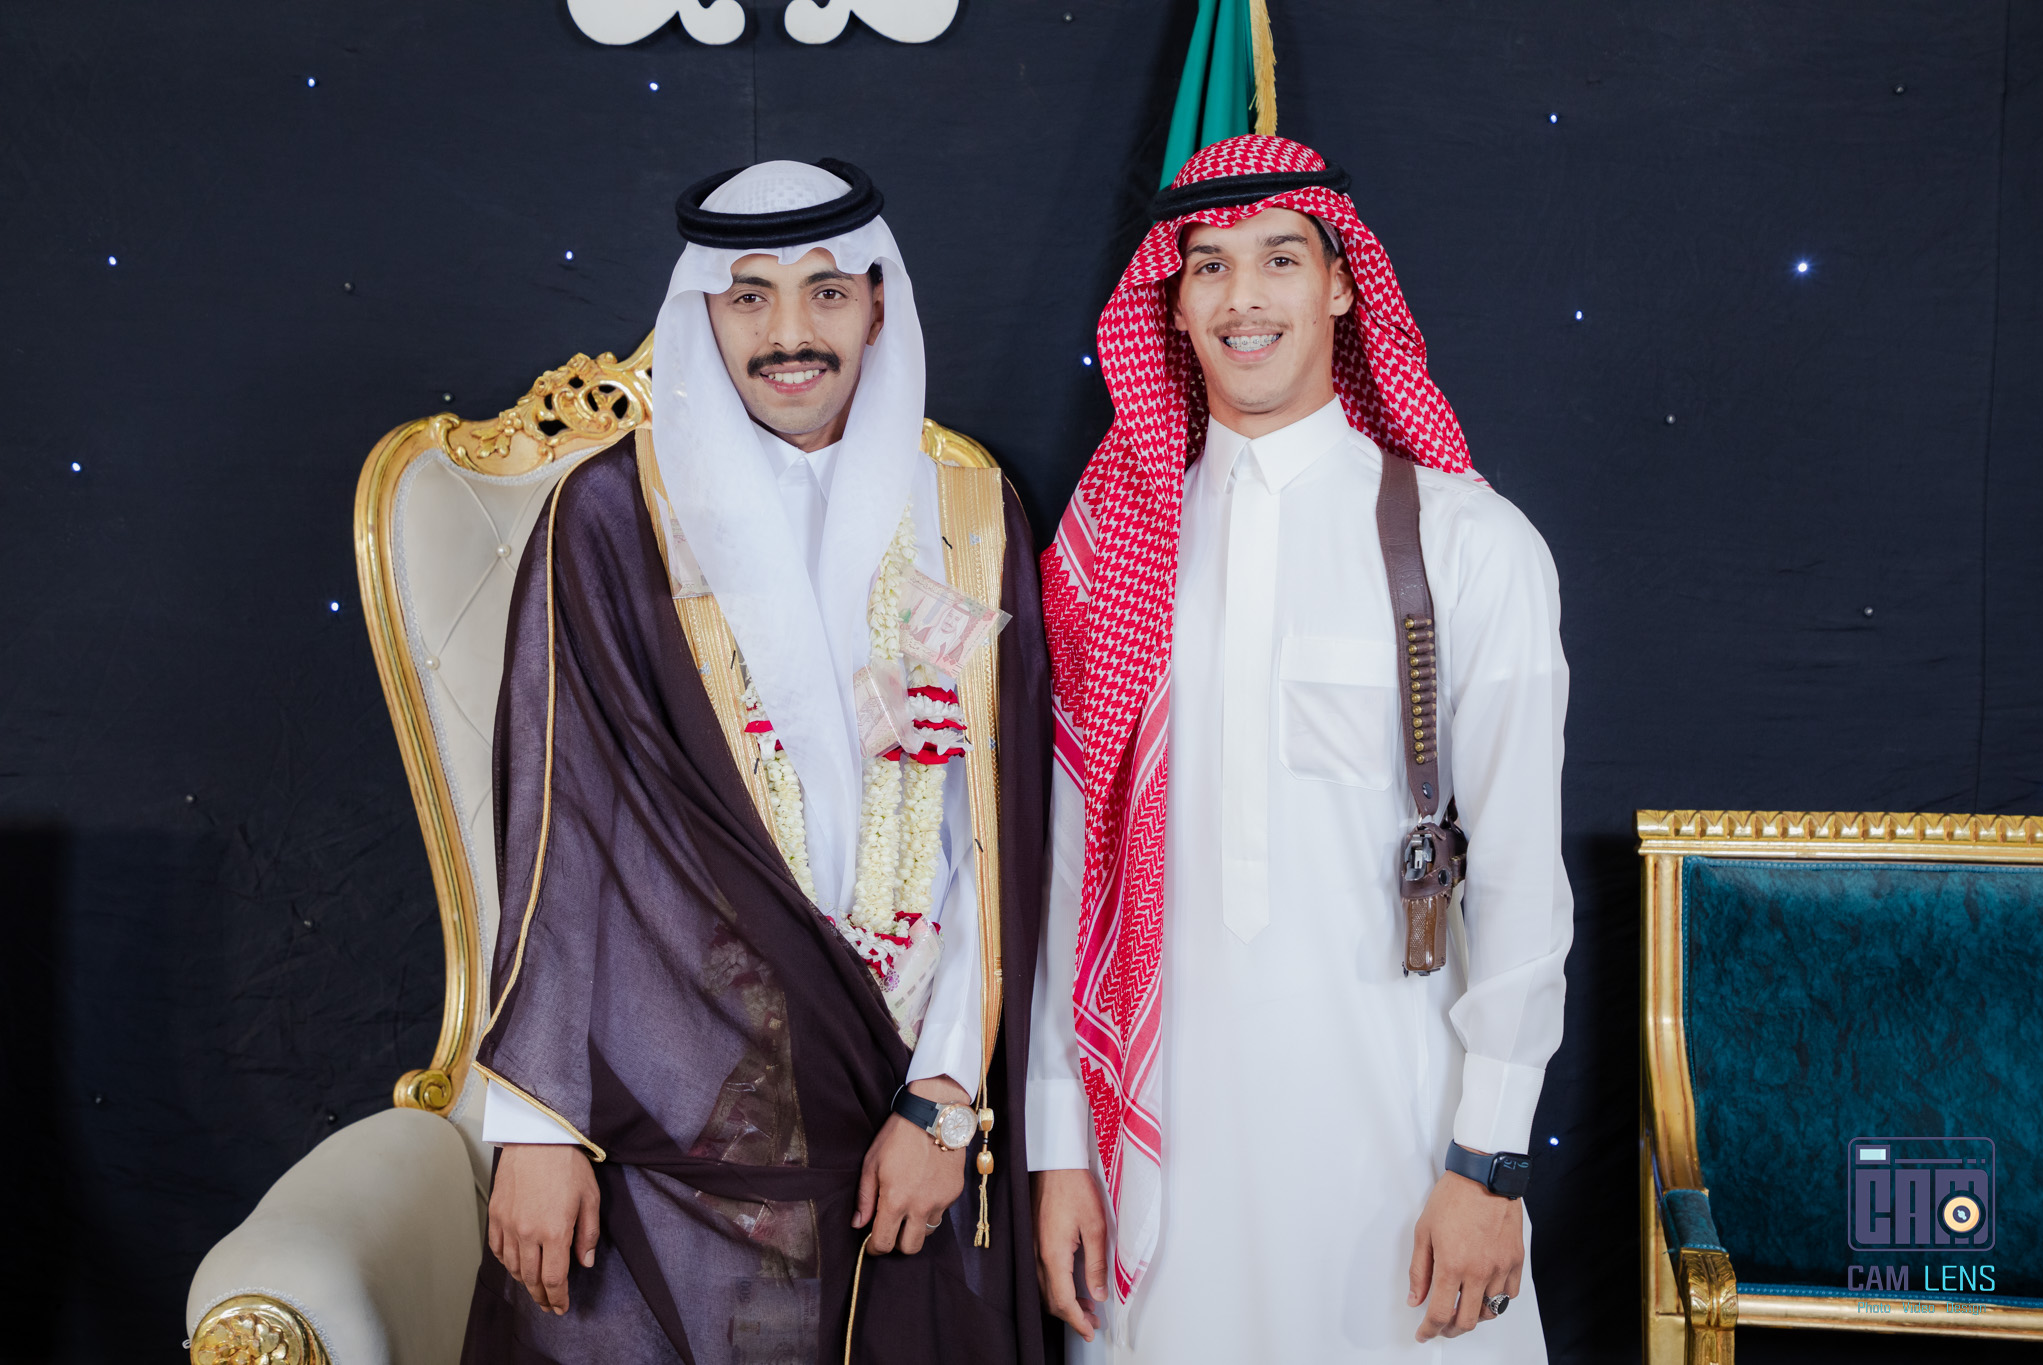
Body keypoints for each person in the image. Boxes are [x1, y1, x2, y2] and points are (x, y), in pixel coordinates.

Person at [460, 158, 1050, 1364]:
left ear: (876, 306)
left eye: (825, 292)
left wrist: (946, 1097)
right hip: (676, 1115)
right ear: (702, 315)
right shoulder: (614, 517)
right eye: (749, 297)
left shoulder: (968, 510)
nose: (790, 334)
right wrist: (537, 1126)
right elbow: (559, 828)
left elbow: (995, 837)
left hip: (903, 1102)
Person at [1029, 134, 1571, 1361]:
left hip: (1398, 1152)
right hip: (1158, 1151)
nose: (1243, 298)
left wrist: (1487, 1161)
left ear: (1339, 284)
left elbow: (1522, 886)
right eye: (1208, 266)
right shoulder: (1110, 549)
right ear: (1172, 302)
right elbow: (1071, 871)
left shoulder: (1467, 544)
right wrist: (1060, 1142)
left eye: (1279, 259)